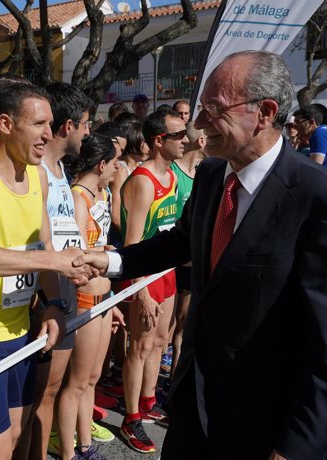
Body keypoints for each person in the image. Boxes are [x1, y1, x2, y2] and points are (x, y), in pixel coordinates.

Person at [75, 50, 327, 460]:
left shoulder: (325, 203)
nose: (199, 124)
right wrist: (111, 261)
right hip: (193, 405)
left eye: (213, 109)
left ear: (264, 113)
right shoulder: (212, 176)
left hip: (262, 423)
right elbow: (179, 242)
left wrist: (296, 449)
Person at [0, 81, 90, 460]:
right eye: (38, 124)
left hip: (21, 329)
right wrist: (52, 261)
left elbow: (41, 245)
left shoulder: (38, 174)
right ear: (6, 124)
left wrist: (56, 303)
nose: (48, 134)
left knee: (15, 442)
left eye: (51, 124)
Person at [26, 81, 92, 460]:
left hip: (68, 288)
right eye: (84, 124)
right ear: (68, 126)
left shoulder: (62, 168)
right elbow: (38, 240)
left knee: (52, 389)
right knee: (37, 392)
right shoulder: (36, 171)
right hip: (43, 292)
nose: (88, 132)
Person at [118, 107, 187, 454]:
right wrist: (140, 291)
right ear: (159, 141)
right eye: (178, 135)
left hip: (167, 270)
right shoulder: (144, 180)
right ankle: (131, 418)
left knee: (161, 341)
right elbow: (132, 245)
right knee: (141, 346)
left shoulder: (172, 174)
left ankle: (147, 401)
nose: (186, 140)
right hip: (144, 275)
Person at [57, 133, 124, 460]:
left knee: (92, 378)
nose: (117, 169)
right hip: (84, 299)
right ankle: (70, 451)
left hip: (104, 297)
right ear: (101, 164)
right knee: (77, 382)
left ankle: (85, 445)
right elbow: (77, 251)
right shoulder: (77, 197)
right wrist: (102, 250)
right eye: (114, 163)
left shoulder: (103, 193)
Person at [168, 121, 205, 377]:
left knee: (184, 324)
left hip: (193, 262)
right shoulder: (172, 172)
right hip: (171, 259)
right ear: (202, 142)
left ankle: (174, 380)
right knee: (168, 328)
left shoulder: (205, 172)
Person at [293, 104, 327, 170]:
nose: (294, 126)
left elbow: (314, 168)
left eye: (298, 121)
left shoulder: (320, 134)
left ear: (311, 122)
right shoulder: (323, 132)